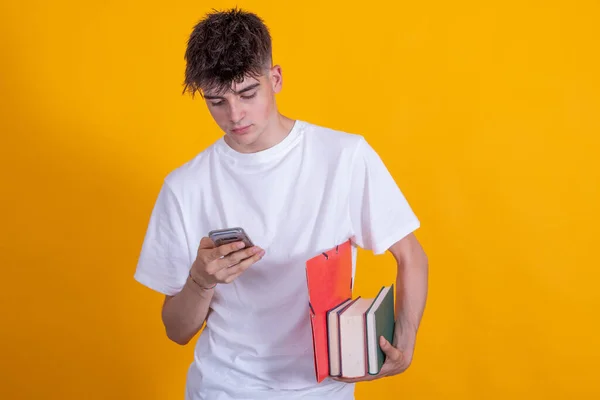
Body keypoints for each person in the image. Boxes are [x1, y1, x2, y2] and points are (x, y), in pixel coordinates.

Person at [134, 7, 429, 400]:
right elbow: (177, 330)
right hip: (222, 389)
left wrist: (405, 341)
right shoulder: (184, 187)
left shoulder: (343, 156)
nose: (234, 114)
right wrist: (201, 280)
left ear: (275, 79)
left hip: (322, 392)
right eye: (216, 101)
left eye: (247, 93)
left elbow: (411, 255)